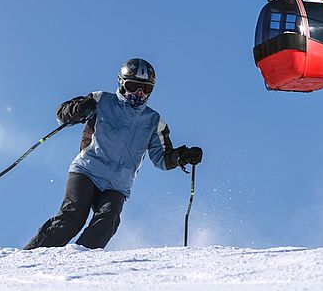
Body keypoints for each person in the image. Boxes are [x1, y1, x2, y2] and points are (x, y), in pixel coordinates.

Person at [24, 58, 202, 250]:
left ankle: (79, 261)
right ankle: (30, 256)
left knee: (108, 221)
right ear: (121, 83)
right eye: (133, 86)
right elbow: (62, 114)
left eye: (145, 88)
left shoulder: (153, 121)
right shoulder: (102, 100)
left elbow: (163, 159)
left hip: (117, 185)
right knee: (72, 218)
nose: (139, 93)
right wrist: (80, 109)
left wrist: (182, 156)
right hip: (87, 171)